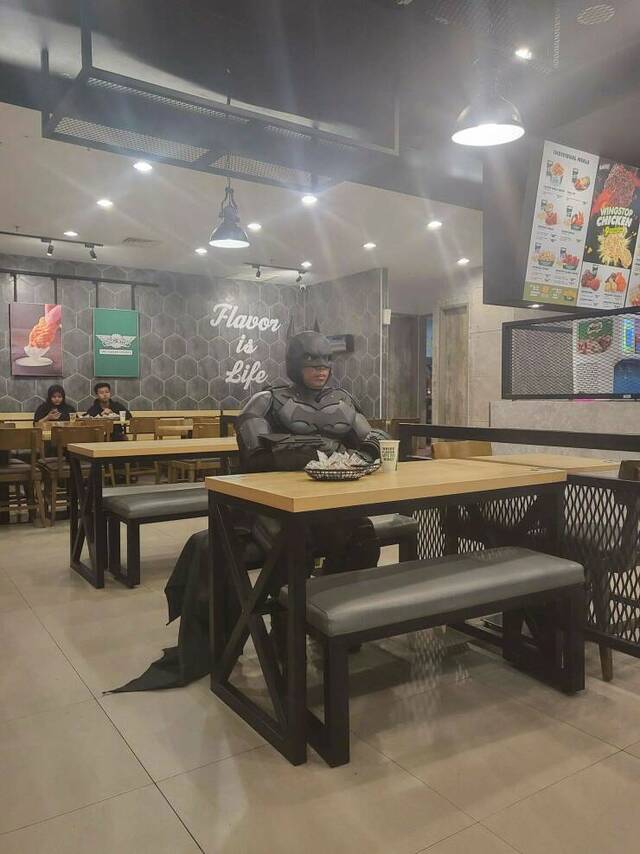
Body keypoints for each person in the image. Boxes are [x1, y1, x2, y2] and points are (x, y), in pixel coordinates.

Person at [237, 329, 386, 574]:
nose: (321, 370)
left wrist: (365, 454)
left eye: (326, 363)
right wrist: (323, 450)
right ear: (295, 364)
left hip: (330, 500)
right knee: (294, 547)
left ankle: (335, 595)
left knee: (363, 537)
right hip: (277, 502)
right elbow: (255, 455)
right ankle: (283, 600)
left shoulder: (342, 401)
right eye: (311, 362)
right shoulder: (266, 400)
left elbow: (374, 440)